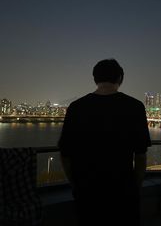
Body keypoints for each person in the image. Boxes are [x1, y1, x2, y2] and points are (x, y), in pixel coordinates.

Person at [58, 58, 151, 226]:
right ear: (120, 78)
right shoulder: (135, 107)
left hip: (87, 191)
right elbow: (141, 156)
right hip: (123, 191)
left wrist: (76, 184)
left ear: (95, 79)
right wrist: (134, 187)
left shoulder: (76, 108)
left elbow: (65, 155)